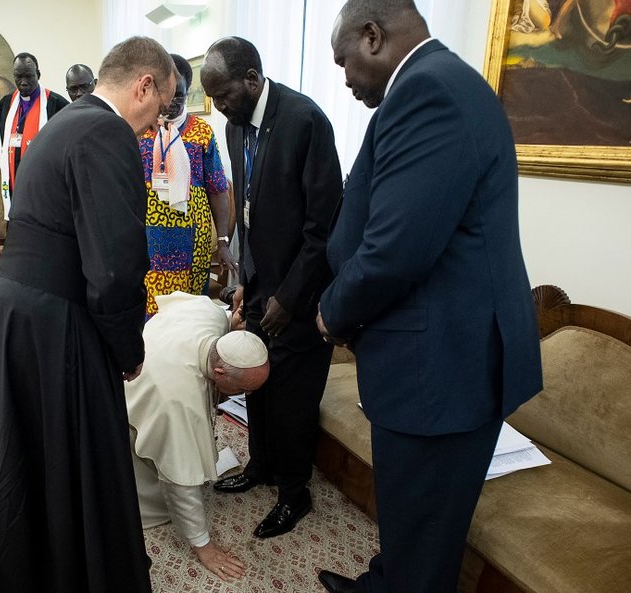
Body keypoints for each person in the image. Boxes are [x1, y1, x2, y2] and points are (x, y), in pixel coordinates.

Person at [315, 2, 543, 592]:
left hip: (441, 367)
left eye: (343, 62)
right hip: (436, 358)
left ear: (372, 36)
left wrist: (331, 313)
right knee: (412, 518)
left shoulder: (428, 93)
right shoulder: (436, 83)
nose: (343, 77)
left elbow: (395, 250)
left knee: (426, 536)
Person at [0, 36, 175, 593]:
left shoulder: (64, 123)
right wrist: (127, 350)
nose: (156, 125)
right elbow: (113, 267)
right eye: (161, 107)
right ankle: (79, 571)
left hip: (15, 304)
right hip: (53, 317)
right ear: (144, 86)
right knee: (78, 449)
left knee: (31, 450)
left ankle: (36, 563)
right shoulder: (106, 132)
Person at [200, 37, 342, 539]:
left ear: (252, 79)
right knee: (253, 381)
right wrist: (246, 281)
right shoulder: (236, 127)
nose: (218, 108)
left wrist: (290, 296)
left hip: (302, 294)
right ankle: (259, 466)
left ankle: (293, 492)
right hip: (263, 285)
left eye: (223, 96)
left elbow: (323, 226)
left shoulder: (305, 121)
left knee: (293, 398)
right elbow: (249, 212)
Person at [126, 291, 268, 582]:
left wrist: (232, 320)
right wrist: (204, 546)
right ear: (219, 372)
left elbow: (221, 315)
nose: (249, 396)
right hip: (127, 410)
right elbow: (181, 484)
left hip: (151, 366)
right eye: (245, 389)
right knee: (167, 476)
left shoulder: (212, 314)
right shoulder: (180, 403)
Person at [138, 53, 232, 318]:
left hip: (193, 239)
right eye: (166, 94)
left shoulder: (202, 132)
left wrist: (223, 241)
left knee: (188, 316)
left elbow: (217, 188)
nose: (171, 103)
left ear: (187, 90)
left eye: (178, 96)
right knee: (152, 313)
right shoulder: (140, 130)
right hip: (148, 238)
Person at [0, 52, 69, 205]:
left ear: (38, 74)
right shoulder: (5, 104)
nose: (23, 82)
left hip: (45, 188)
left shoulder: (57, 105)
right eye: (18, 76)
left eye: (29, 76)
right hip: (13, 186)